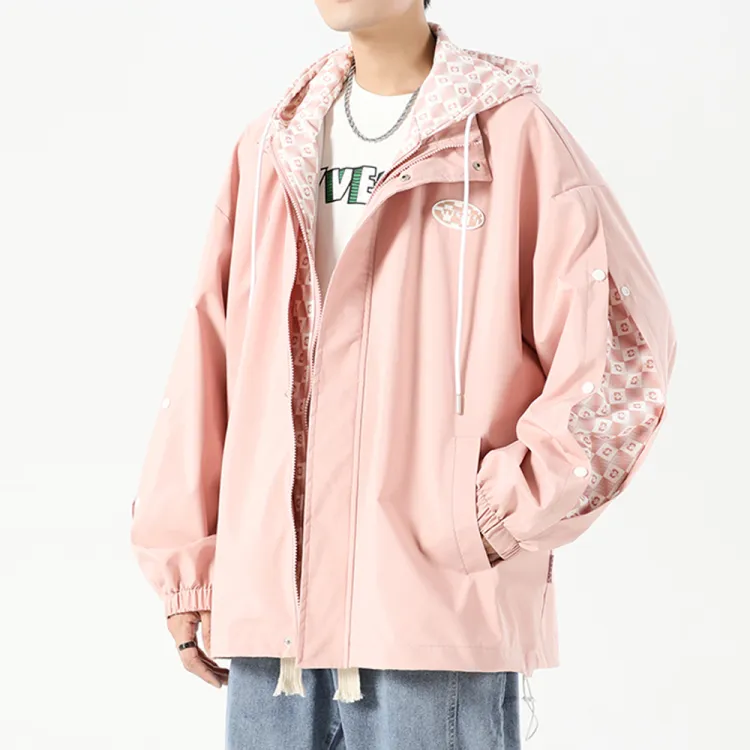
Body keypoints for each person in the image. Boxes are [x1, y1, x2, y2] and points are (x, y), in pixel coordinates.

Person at [131, 1, 677, 747]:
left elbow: (622, 345)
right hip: (272, 615)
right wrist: (187, 559)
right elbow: (208, 355)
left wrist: (495, 514)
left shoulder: (509, 136)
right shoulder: (270, 145)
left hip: (432, 606)